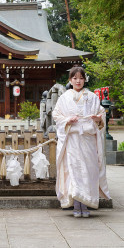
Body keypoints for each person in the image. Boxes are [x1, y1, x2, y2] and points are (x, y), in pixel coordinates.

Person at [52, 65, 111, 218]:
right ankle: (77, 205)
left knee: (89, 171)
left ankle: (86, 204)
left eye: (81, 78)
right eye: (75, 78)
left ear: (85, 80)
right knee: (74, 171)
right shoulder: (64, 98)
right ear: (70, 80)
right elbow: (56, 116)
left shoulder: (93, 97)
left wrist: (98, 119)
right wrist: (67, 120)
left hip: (88, 140)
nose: (78, 81)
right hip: (72, 140)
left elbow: (101, 116)